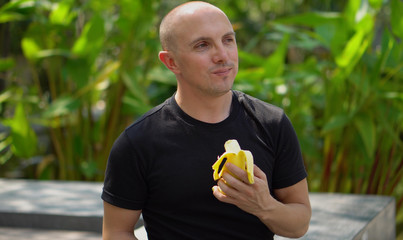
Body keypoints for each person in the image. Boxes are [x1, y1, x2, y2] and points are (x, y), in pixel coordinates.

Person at [101, 1, 311, 239]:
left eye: (228, 40)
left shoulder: (272, 124)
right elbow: (116, 232)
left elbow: (299, 225)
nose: (222, 55)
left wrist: (262, 204)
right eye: (202, 45)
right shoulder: (138, 142)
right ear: (171, 62)